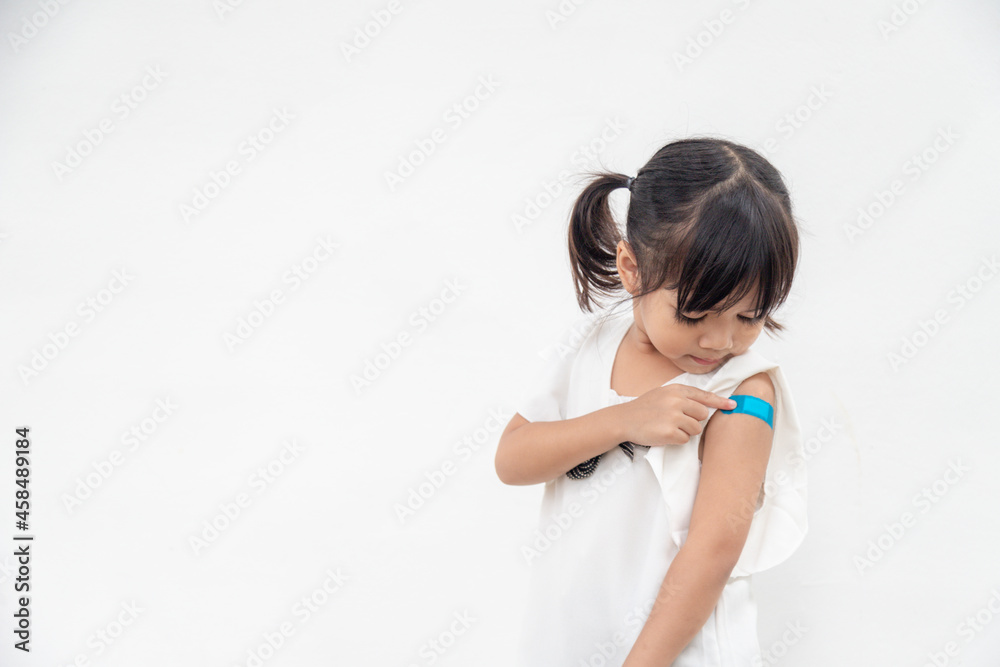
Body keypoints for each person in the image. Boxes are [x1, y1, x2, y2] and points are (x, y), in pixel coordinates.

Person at [494, 137, 809, 666]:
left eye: (749, 316)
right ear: (632, 268)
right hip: (571, 639)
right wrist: (625, 420)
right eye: (694, 314)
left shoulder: (743, 390)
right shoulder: (589, 350)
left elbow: (713, 552)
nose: (720, 340)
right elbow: (512, 460)